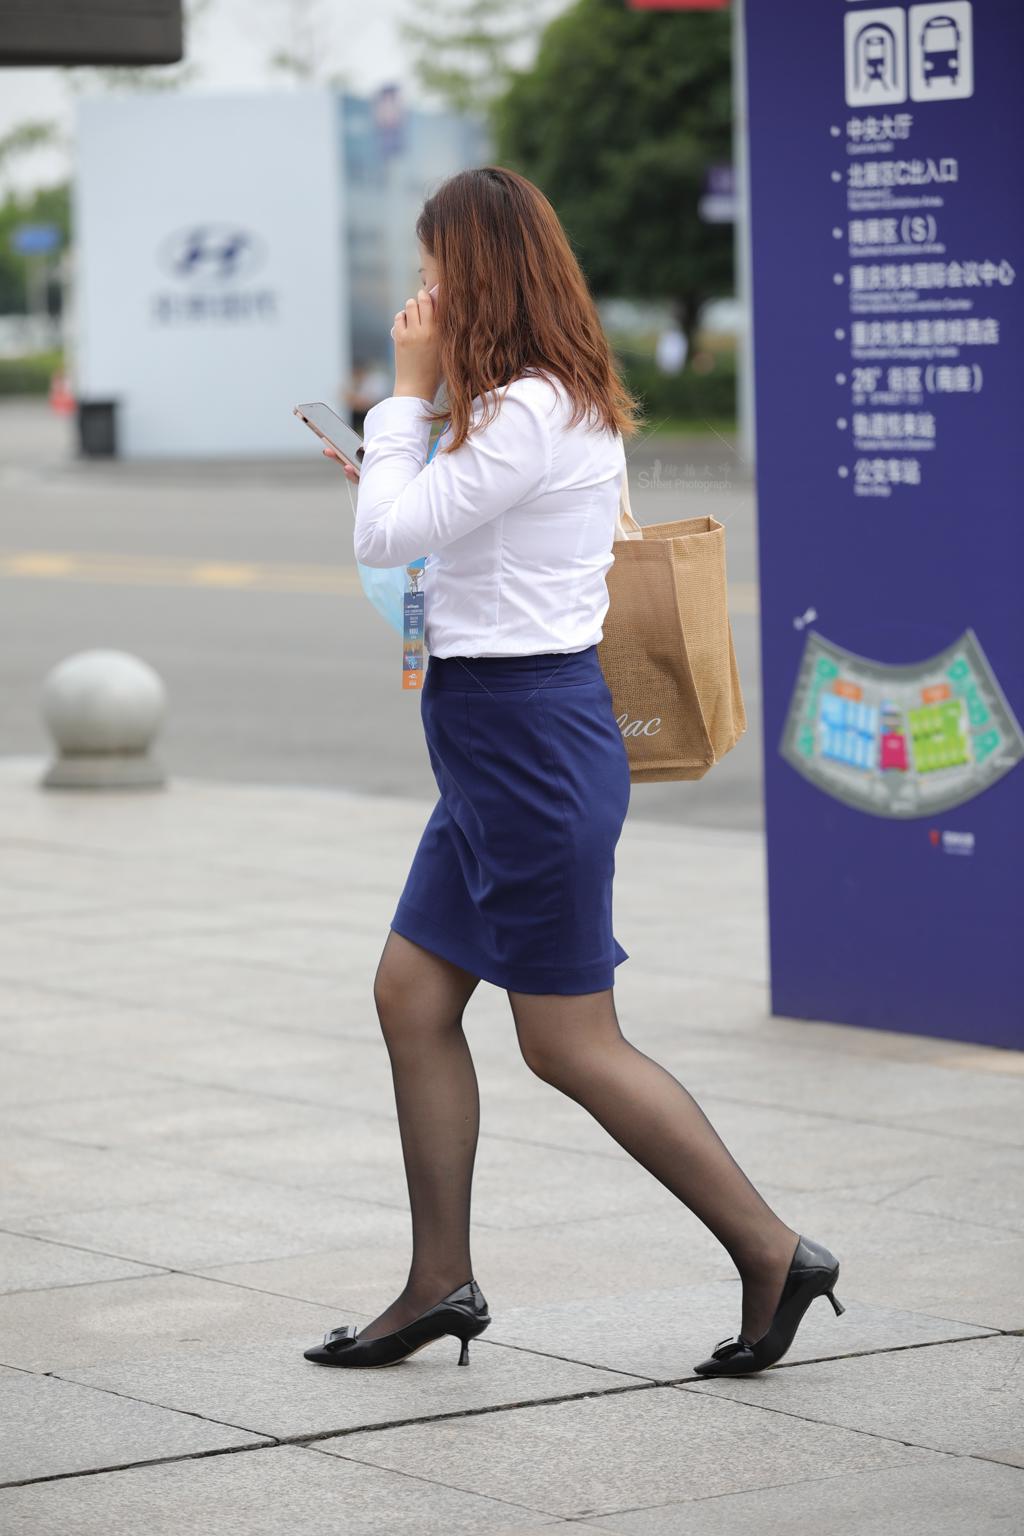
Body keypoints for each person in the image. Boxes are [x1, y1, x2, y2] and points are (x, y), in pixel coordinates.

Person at [305, 166, 843, 1377]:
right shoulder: (537, 404)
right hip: (498, 744)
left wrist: (400, 399)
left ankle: (772, 1250)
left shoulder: (530, 410)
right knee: (411, 996)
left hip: (529, 749)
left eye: (437, 264)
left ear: (481, 272)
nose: (422, 289)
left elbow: (388, 533)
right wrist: (434, 427)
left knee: (568, 1041)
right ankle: (438, 1280)